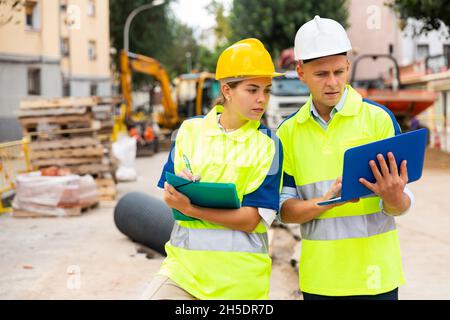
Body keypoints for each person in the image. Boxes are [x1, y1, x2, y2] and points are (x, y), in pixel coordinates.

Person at [277, 16, 414, 300]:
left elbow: (401, 205)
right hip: (320, 282)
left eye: (339, 71)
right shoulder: (288, 132)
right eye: (321, 74)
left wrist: (393, 197)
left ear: (349, 66)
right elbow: (284, 211)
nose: (332, 83)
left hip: (377, 279)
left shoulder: (379, 120)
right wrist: (328, 201)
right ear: (301, 72)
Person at [144, 38, 283, 300]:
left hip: (240, 283)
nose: (261, 99)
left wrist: (192, 209)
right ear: (227, 91)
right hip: (183, 273)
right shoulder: (188, 131)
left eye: (267, 90)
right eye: (252, 90)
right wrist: (179, 189)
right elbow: (169, 196)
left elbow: (250, 219)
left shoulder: (269, 145)